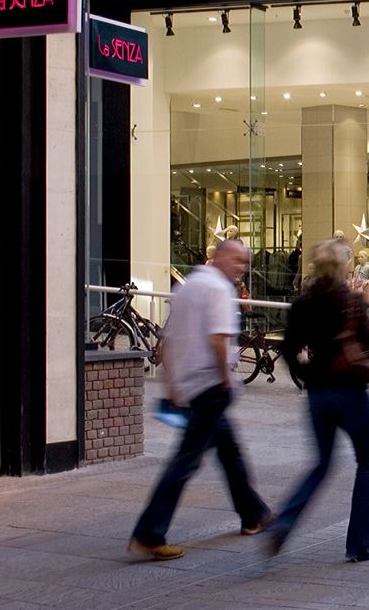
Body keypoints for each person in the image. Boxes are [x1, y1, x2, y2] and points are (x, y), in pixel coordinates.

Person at [129, 238, 270, 560]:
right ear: (220, 258)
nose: (241, 268)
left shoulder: (188, 286)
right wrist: (225, 379)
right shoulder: (219, 289)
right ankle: (149, 533)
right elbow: (218, 339)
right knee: (185, 461)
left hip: (194, 386)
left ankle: (253, 515)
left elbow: (168, 339)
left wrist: (173, 384)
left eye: (245, 263)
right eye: (237, 261)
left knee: (230, 451)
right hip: (210, 385)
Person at [265, 238, 369, 563]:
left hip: (318, 394)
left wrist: (306, 376)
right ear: (343, 265)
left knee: (321, 464)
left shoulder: (304, 303)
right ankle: (361, 544)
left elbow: (288, 349)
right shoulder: (349, 300)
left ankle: (285, 521)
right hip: (351, 393)